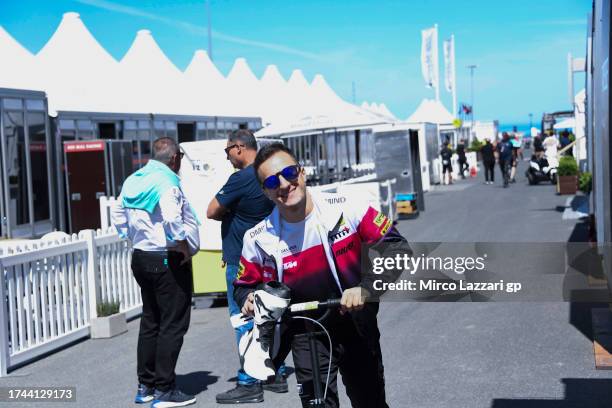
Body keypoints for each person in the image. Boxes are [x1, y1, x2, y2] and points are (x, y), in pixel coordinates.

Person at [234, 143, 408, 408]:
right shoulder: (257, 238)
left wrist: (366, 288)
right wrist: (248, 299)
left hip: (355, 324)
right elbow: (242, 286)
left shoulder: (346, 207)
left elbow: (398, 248)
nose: (283, 184)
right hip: (306, 332)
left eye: (289, 173)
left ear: (302, 173)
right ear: (266, 192)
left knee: (369, 401)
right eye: (271, 181)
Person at [112, 137, 199, 408]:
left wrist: (134, 237)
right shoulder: (166, 181)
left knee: (151, 322)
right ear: (174, 158)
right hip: (167, 258)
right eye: (181, 158)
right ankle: (165, 390)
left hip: (141, 257)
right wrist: (181, 243)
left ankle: (145, 386)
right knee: (173, 323)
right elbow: (172, 218)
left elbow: (117, 215)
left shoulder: (134, 179)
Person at [206, 129, 286, 404]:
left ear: (239, 148)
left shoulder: (240, 178)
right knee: (270, 315)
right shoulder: (267, 176)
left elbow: (212, 210)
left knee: (243, 319)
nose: (227, 157)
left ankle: (248, 381)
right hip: (269, 258)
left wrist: (231, 212)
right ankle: (276, 373)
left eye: (227, 151)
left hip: (242, 263)